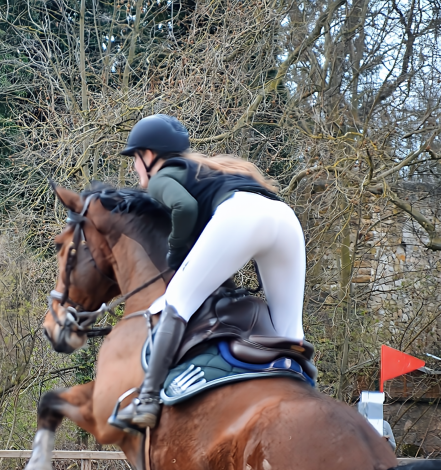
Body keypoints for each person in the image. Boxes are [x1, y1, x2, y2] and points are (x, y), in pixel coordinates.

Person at [112, 114, 307, 430]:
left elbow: (185, 208)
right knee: (289, 331)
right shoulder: (209, 169)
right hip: (284, 219)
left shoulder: (162, 178)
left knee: (176, 301)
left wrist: (176, 253)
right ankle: (305, 404)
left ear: (149, 156)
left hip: (241, 216)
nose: (134, 168)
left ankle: (147, 398)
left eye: (135, 158)